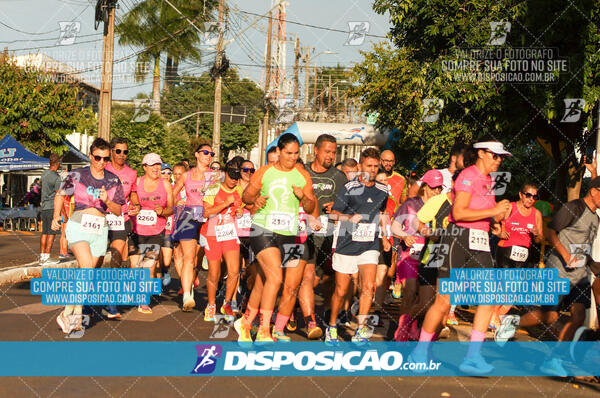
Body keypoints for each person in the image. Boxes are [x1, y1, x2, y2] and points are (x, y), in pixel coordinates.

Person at [409, 139, 512, 374]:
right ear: (482, 154)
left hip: (481, 240)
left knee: (488, 298)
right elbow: (459, 212)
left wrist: (496, 223)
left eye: (501, 157)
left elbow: (485, 212)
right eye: (495, 156)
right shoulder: (468, 175)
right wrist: (492, 211)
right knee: (444, 300)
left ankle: (473, 357)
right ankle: (420, 352)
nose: (499, 161)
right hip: (458, 238)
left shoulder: (490, 180)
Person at [499, 177, 600, 377]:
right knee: (549, 315)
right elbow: (551, 231)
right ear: (595, 191)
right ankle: (511, 323)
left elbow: (583, 247)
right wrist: (564, 254)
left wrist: (593, 265)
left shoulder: (596, 218)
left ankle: (554, 360)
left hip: (579, 275)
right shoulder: (574, 207)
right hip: (559, 270)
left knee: (578, 316)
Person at [237, 133, 316, 343]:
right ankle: (264, 330)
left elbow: (311, 207)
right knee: (275, 278)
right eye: (288, 153)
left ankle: (246, 321)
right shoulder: (265, 172)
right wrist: (256, 200)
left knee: (265, 282)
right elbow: (245, 198)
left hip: (290, 234)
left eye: (296, 153)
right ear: (279, 152)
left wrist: (303, 198)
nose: (292, 157)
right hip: (263, 229)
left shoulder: (302, 175)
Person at [51, 138, 125, 333]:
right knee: (85, 268)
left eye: (105, 159)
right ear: (91, 156)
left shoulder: (113, 180)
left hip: (100, 229)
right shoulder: (77, 174)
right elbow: (60, 194)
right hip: (79, 224)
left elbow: (118, 210)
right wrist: (55, 217)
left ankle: (71, 313)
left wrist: (107, 200)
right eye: (98, 157)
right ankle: (69, 315)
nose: (101, 162)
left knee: (88, 274)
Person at [326, 147, 391, 344]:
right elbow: (333, 214)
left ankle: (361, 330)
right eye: (368, 166)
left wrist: (386, 237)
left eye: (375, 166)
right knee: (341, 290)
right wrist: (348, 217)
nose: (372, 170)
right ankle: (332, 326)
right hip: (347, 244)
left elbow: (381, 214)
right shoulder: (349, 188)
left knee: (368, 287)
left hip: (369, 245)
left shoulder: (382, 190)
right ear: (361, 166)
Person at [299, 134, 347, 340]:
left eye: (334, 152)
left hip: (330, 235)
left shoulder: (339, 176)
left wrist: (336, 207)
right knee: (307, 276)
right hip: (305, 232)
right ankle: (311, 321)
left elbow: (347, 204)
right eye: (327, 151)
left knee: (328, 280)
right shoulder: (303, 173)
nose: (330, 155)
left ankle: (327, 316)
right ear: (316, 150)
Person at [392, 170, 444, 341]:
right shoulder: (411, 204)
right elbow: (394, 226)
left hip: (430, 256)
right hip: (409, 255)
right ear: (424, 187)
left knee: (424, 300)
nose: (437, 191)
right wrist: (404, 236)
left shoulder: (441, 207)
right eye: (434, 187)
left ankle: (411, 325)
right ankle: (401, 331)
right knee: (410, 292)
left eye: (439, 188)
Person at [172, 144, 217, 312]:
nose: (208, 155)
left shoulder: (214, 176)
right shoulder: (186, 175)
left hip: (207, 217)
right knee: (188, 257)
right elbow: (173, 192)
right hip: (188, 216)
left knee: (202, 259)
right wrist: (177, 202)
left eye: (211, 153)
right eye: (205, 152)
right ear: (197, 155)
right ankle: (187, 296)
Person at [129, 153, 174, 314]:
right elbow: (130, 198)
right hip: (136, 229)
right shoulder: (138, 182)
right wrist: (134, 207)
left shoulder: (166, 185)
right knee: (135, 267)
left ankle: (143, 300)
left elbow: (171, 208)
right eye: (152, 165)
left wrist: (163, 211)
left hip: (156, 230)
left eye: (158, 165)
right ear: (144, 167)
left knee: (149, 265)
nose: (156, 168)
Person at [201, 158, 244, 322]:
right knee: (214, 272)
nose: (234, 180)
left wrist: (239, 211)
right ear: (225, 173)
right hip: (212, 234)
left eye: (237, 176)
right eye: (232, 176)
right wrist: (225, 203)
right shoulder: (213, 188)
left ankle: (226, 304)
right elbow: (206, 213)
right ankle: (211, 304)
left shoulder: (239, 190)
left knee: (234, 271)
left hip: (229, 234)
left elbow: (240, 206)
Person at [105, 137, 138, 268]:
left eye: (125, 152)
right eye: (118, 151)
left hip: (120, 217)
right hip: (101, 216)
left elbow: (133, 193)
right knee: (98, 257)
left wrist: (137, 205)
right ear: (111, 151)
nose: (122, 155)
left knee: (117, 252)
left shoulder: (132, 173)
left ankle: (113, 284)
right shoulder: (103, 168)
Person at [39, 153, 62, 265]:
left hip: (44, 207)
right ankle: (47, 256)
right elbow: (59, 195)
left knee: (44, 232)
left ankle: (42, 256)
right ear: (58, 163)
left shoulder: (44, 174)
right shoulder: (57, 178)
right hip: (53, 207)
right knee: (52, 232)